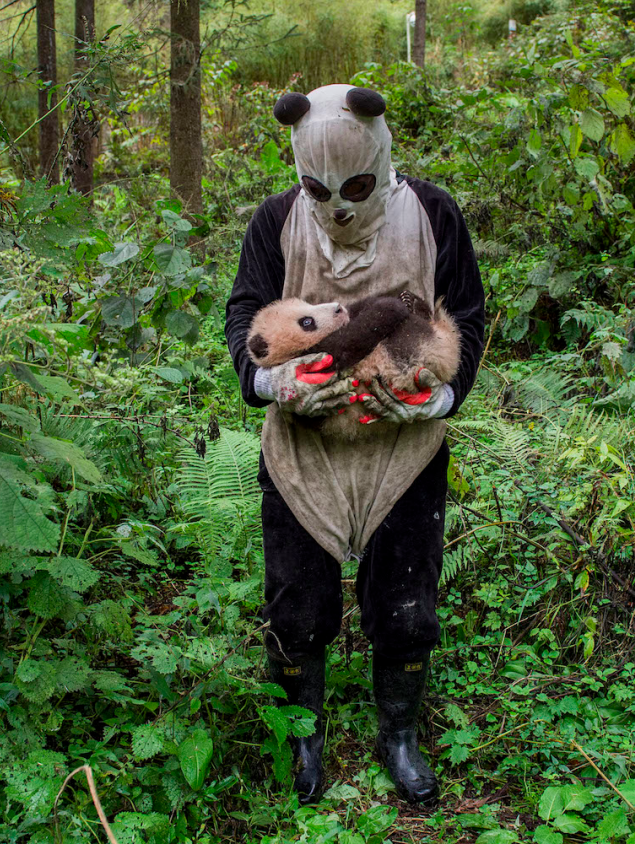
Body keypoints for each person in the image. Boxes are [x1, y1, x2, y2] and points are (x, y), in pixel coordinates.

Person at [225, 84, 485, 805]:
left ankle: (397, 733)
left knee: (407, 606)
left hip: (404, 453)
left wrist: (442, 396)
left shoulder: (433, 214)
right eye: (318, 188)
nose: (337, 207)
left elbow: (467, 312)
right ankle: (304, 736)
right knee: (296, 606)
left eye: (356, 187)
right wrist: (271, 384)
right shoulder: (276, 221)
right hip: (302, 451)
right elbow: (245, 313)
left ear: (381, 155)